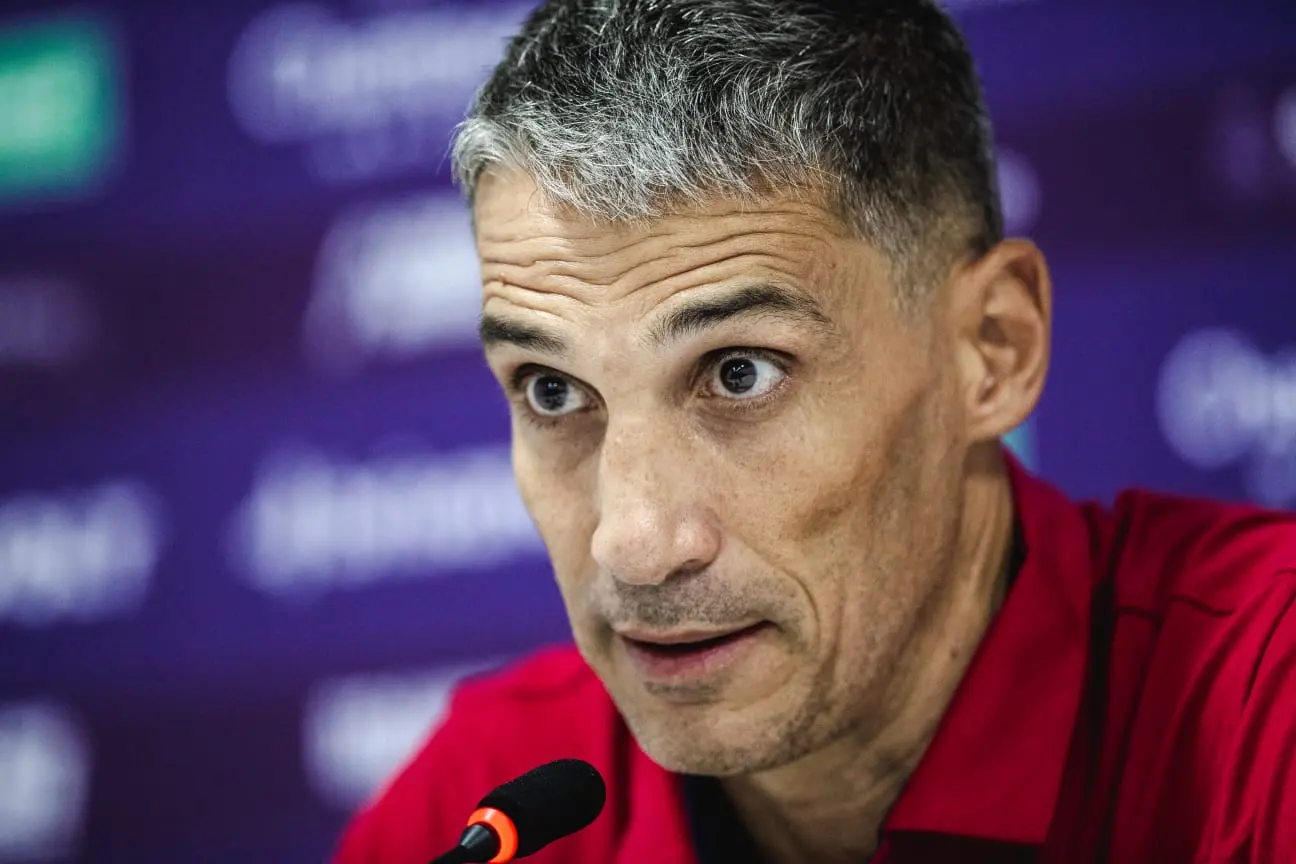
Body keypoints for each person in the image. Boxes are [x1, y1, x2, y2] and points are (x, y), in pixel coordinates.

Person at [333, 1, 1296, 862]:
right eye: (552, 390)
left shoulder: (1264, 713)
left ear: (991, 348)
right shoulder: (486, 800)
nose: (633, 544)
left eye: (739, 373)